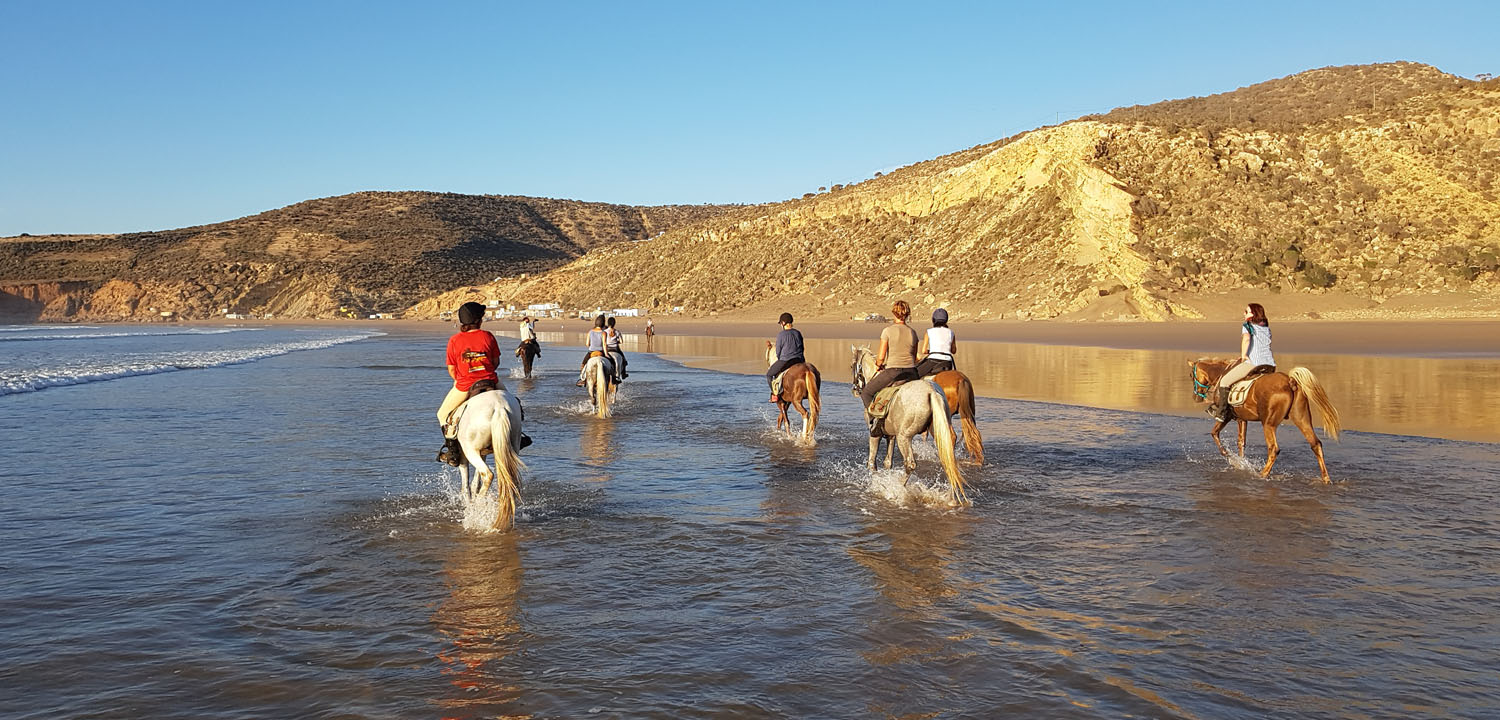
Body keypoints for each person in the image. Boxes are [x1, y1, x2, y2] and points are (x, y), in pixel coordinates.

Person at [436, 302, 530, 464]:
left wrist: (462, 377)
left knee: (442, 414)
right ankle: (518, 438)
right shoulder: (488, 336)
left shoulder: (454, 340)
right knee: (515, 404)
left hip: (465, 385)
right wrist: (484, 371)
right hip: (490, 380)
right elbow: (495, 362)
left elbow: (451, 369)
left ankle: (452, 451)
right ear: (478, 320)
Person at [1207, 302, 1276, 421]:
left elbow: (1246, 339)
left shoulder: (1247, 325)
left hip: (1254, 363)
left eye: (1246, 311)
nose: (1244, 313)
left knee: (1224, 381)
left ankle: (1222, 413)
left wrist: (1244, 355)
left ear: (1253, 314)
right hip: (1270, 364)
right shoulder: (1266, 327)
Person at [861, 299, 920, 412]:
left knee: (866, 393)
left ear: (894, 313)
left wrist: (878, 365)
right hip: (912, 372)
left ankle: (874, 417)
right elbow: (914, 357)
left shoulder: (887, 331)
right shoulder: (913, 332)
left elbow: (881, 358)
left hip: (894, 371)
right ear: (907, 314)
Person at [765, 312, 805, 403]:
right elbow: (802, 348)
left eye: (780, 323)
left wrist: (780, 358)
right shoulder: (798, 333)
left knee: (769, 375)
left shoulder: (781, 335)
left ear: (783, 323)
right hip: (799, 360)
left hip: (786, 360)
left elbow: (778, 351)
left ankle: (775, 395)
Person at [916, 308, 957, 377]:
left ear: (933, 320)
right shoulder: (951, 332)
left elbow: (924, 351)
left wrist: (932, 351)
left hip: (933, 361)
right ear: (946, 320)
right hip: (948, 362)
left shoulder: (929, 332)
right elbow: (953, 351)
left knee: (915, 374)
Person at [577, 315, 610, 387]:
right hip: (601, 352)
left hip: (591, 352)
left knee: (583, 364)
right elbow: (604, 344)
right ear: (603, 324)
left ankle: (583, 380)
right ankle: (613, 377)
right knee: (611, 364)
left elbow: (587, 344)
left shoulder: (590, 332)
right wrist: (606, 354)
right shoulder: (604, 333)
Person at [604, 316, 629, 381]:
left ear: (608, 323)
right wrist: (616, 342)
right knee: (623, 360)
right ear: (614, 324)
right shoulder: (617, 332)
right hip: (615, 349)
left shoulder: (604, 331)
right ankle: (623, 374)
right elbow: (621, 341)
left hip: (607, 349)